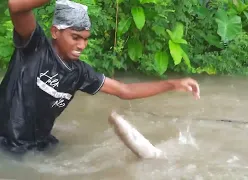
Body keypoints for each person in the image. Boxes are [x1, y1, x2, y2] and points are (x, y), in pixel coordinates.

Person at [0, 0, 200, 155]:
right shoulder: (34, 46)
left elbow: (124, 91)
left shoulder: (80, 73)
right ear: (55, 32)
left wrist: (173, 83)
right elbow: (16, 6)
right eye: (75, 37)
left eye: (85, 39)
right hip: (5, 141)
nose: (81, 46)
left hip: (39, 145)